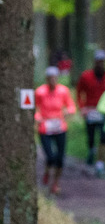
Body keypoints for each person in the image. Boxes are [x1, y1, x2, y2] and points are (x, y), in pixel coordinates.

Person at [35, 66, 77, 196]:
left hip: (59, 127)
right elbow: (34, 108)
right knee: (50, 156)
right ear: (46, 79)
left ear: (57, 78)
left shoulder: (63, 91)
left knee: (60, 158)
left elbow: (71, 106)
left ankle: (55, 183)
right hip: (45, 127)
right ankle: (47, 172)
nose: (53, 80)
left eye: (55, 78)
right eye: (50, 78)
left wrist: (68, 111)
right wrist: (38, 117)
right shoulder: (40, 92)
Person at [75, 49, 105, 174]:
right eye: (98, 61)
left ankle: (100, 162)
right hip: (90, 111)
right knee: (91, 135)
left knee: (104, 136)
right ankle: (91, 151)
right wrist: (82, 108)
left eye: (102, 62)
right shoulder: (86, 76)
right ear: (94, 62)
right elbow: (78, 93)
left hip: (104, 112)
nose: (100, 64)